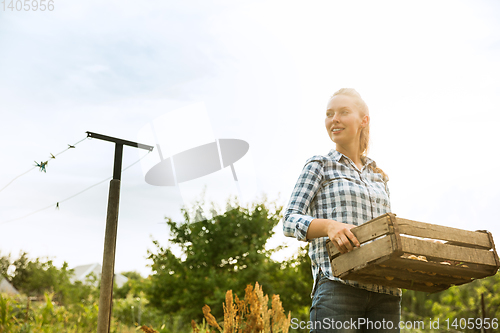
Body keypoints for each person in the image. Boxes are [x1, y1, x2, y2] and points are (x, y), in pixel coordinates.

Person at [282, 88, 401, 332]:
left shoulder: (379, 176)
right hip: (339, 287)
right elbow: (289, 221)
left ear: (363, 120)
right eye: (329, 114)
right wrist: (329, 226)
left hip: (386, 293)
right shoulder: (320, 166)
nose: (334, 119)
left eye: (343, 112)